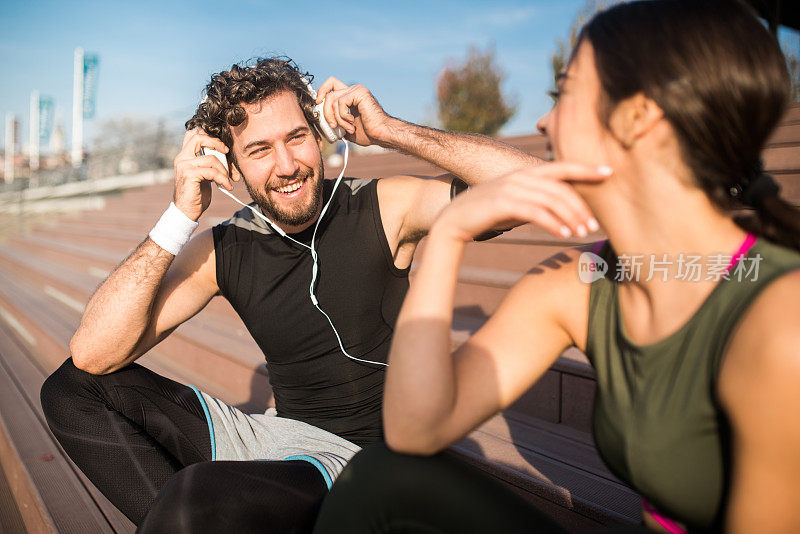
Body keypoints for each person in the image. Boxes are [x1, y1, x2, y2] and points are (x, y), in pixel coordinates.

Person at [39, 57, 601, 532]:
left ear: (321, 136)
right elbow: (94, 353)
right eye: (259, 150)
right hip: (268, 441)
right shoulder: (222, 248)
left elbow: (544, 188)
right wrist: (178, 215)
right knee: (70, 389)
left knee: (195, 499)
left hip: (355, 460)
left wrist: (391, 132)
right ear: (229, 165)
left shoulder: (382, 207)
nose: (286, 166)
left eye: (296, 137)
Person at [311, 2, 800, 533]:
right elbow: (413, 429)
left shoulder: (779, 322)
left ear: (638, 117)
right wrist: (450, 232)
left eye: (562, 94)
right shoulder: (580, 283)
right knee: (381, 477)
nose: (543, 121)